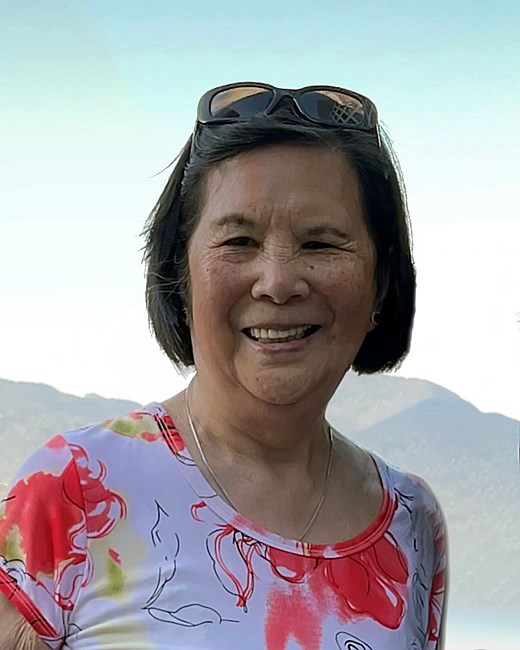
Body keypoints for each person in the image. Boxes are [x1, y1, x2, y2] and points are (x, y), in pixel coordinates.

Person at [0, 83, 447, 649]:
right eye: (239, 240)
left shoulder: (411, 522)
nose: (278, 282)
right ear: (181, 275)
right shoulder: (73, 490)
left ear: (380, 284)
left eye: (321, 244)